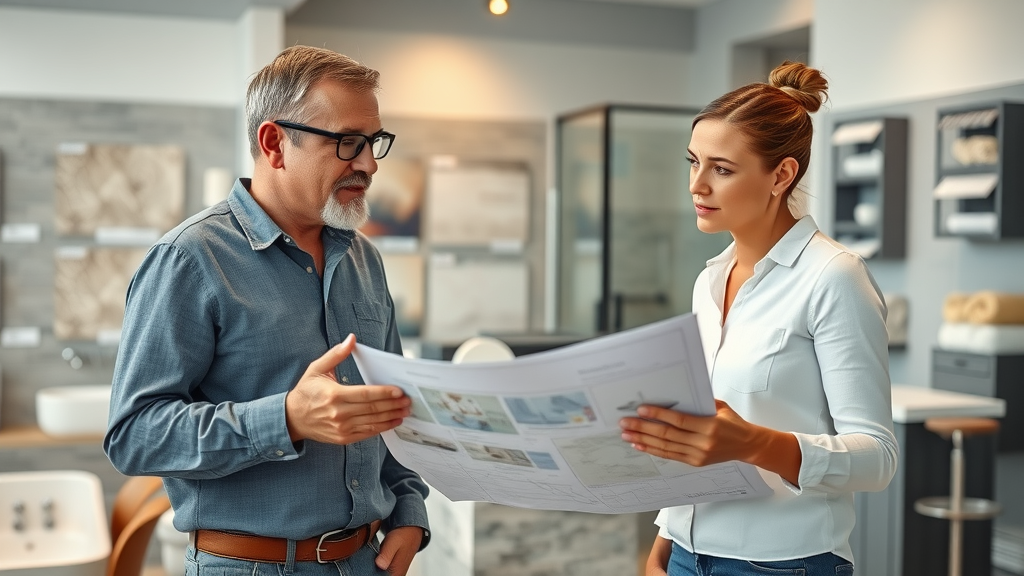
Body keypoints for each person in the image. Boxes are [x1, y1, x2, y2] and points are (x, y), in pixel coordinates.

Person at [104, 45, 429, 576]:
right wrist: (287, 419)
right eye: (348, 143)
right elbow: (133, 436)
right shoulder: (189, 260)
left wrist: (410, 511)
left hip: (367, 563)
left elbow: (390, 410)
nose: (369, 164)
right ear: (275, 143)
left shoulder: (364, 257)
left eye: (373, 143)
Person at [618, 61, 899, 575]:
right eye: (693, 162)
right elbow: (699, 432)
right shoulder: (709, 281)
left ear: (781, 175)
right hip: (683, 556)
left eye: (722, 169)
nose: (697, 185)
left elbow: (877, 458)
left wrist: (752, 441)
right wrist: (665, 542)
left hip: (780, 563)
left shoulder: (834, 277)